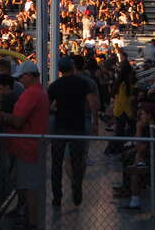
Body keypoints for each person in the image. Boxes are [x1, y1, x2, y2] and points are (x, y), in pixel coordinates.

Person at [0, 61, 49, 230]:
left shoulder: (32, 94)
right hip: (29, 146)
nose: (20, 81)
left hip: (28, 147)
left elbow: (18, 121)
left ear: (30, 76)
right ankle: (28, 218)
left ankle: (31, 222)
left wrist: (2, 116)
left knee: (29, 187)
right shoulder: (37, 92)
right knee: (27, 185)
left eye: (22, 77)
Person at [47, 57, 95, 207]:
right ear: (72, 67)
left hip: (60, 127)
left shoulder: (55, 85)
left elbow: (47, 106)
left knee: (56, 164)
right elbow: (92, 103)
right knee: (77, 161)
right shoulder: (83, 83)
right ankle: (76, 187)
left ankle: (57, 197)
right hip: (77, 127)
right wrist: (95, 123)